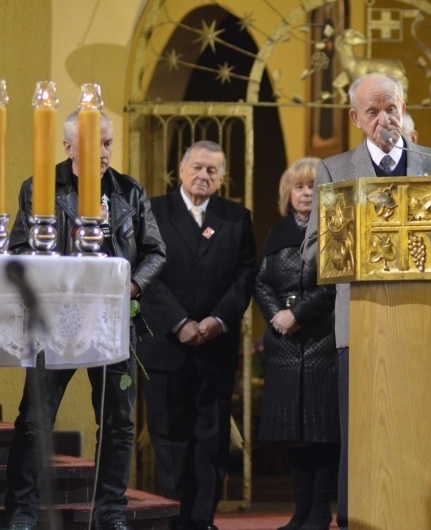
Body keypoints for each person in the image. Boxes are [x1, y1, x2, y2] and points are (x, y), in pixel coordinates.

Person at [301, 72, 431, 530]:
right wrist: (367, 230)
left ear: (404, 107)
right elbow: (313, 253)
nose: (384, 119)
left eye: (391, 108)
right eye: (373, 111)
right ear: (355, 118)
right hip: (361, 325)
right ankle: (357, 521)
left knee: (421, 432)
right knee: (364, 437)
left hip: (425, 320)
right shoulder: (334, 171)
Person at [4, 111, 167, 530]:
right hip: (54, 323)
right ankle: (22, 509)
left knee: (117, 421)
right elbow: (21, 247)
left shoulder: (129, 191)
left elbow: (155, 252)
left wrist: (132, 287)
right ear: (69, 146)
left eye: (109, 143)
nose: (105, 152)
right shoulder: (40, 188)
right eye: (96, 143)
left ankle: (110, 511)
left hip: (113, 321)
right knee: (35, 416)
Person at [137, 140, 256, 530]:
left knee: (212, 437)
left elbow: (244, 276)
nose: (203, 176)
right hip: (166, 346)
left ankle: (202, 519)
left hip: (214, 346)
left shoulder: (236, 217)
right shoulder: (153, 211)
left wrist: (216, 320)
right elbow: (143, 274)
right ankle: (173, 518)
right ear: (181, 168)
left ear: (222, 177)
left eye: (212, 171)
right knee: (170, 438)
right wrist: (180, 322)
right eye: (197, 168)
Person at [254, 158, 339, 530]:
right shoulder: (276, 235)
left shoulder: (335, 230)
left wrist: (297, 314)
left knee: (321, 431)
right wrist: (276, 314)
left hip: (321, 341)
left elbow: (334, 284)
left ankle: (320, 511)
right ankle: (301, 510)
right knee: (294, 434)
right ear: (288, 193)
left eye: (312, 186)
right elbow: (261, 283)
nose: (306, 193)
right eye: (299, 187)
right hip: (284, 347)